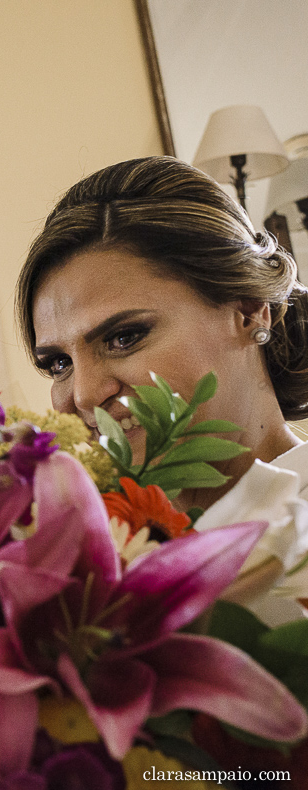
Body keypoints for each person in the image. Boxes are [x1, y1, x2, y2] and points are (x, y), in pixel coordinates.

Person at [16, 154, 308, 624]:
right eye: (59, 363)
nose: (86, 394)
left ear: (251, 311)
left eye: (124, 336)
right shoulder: (64, 546)